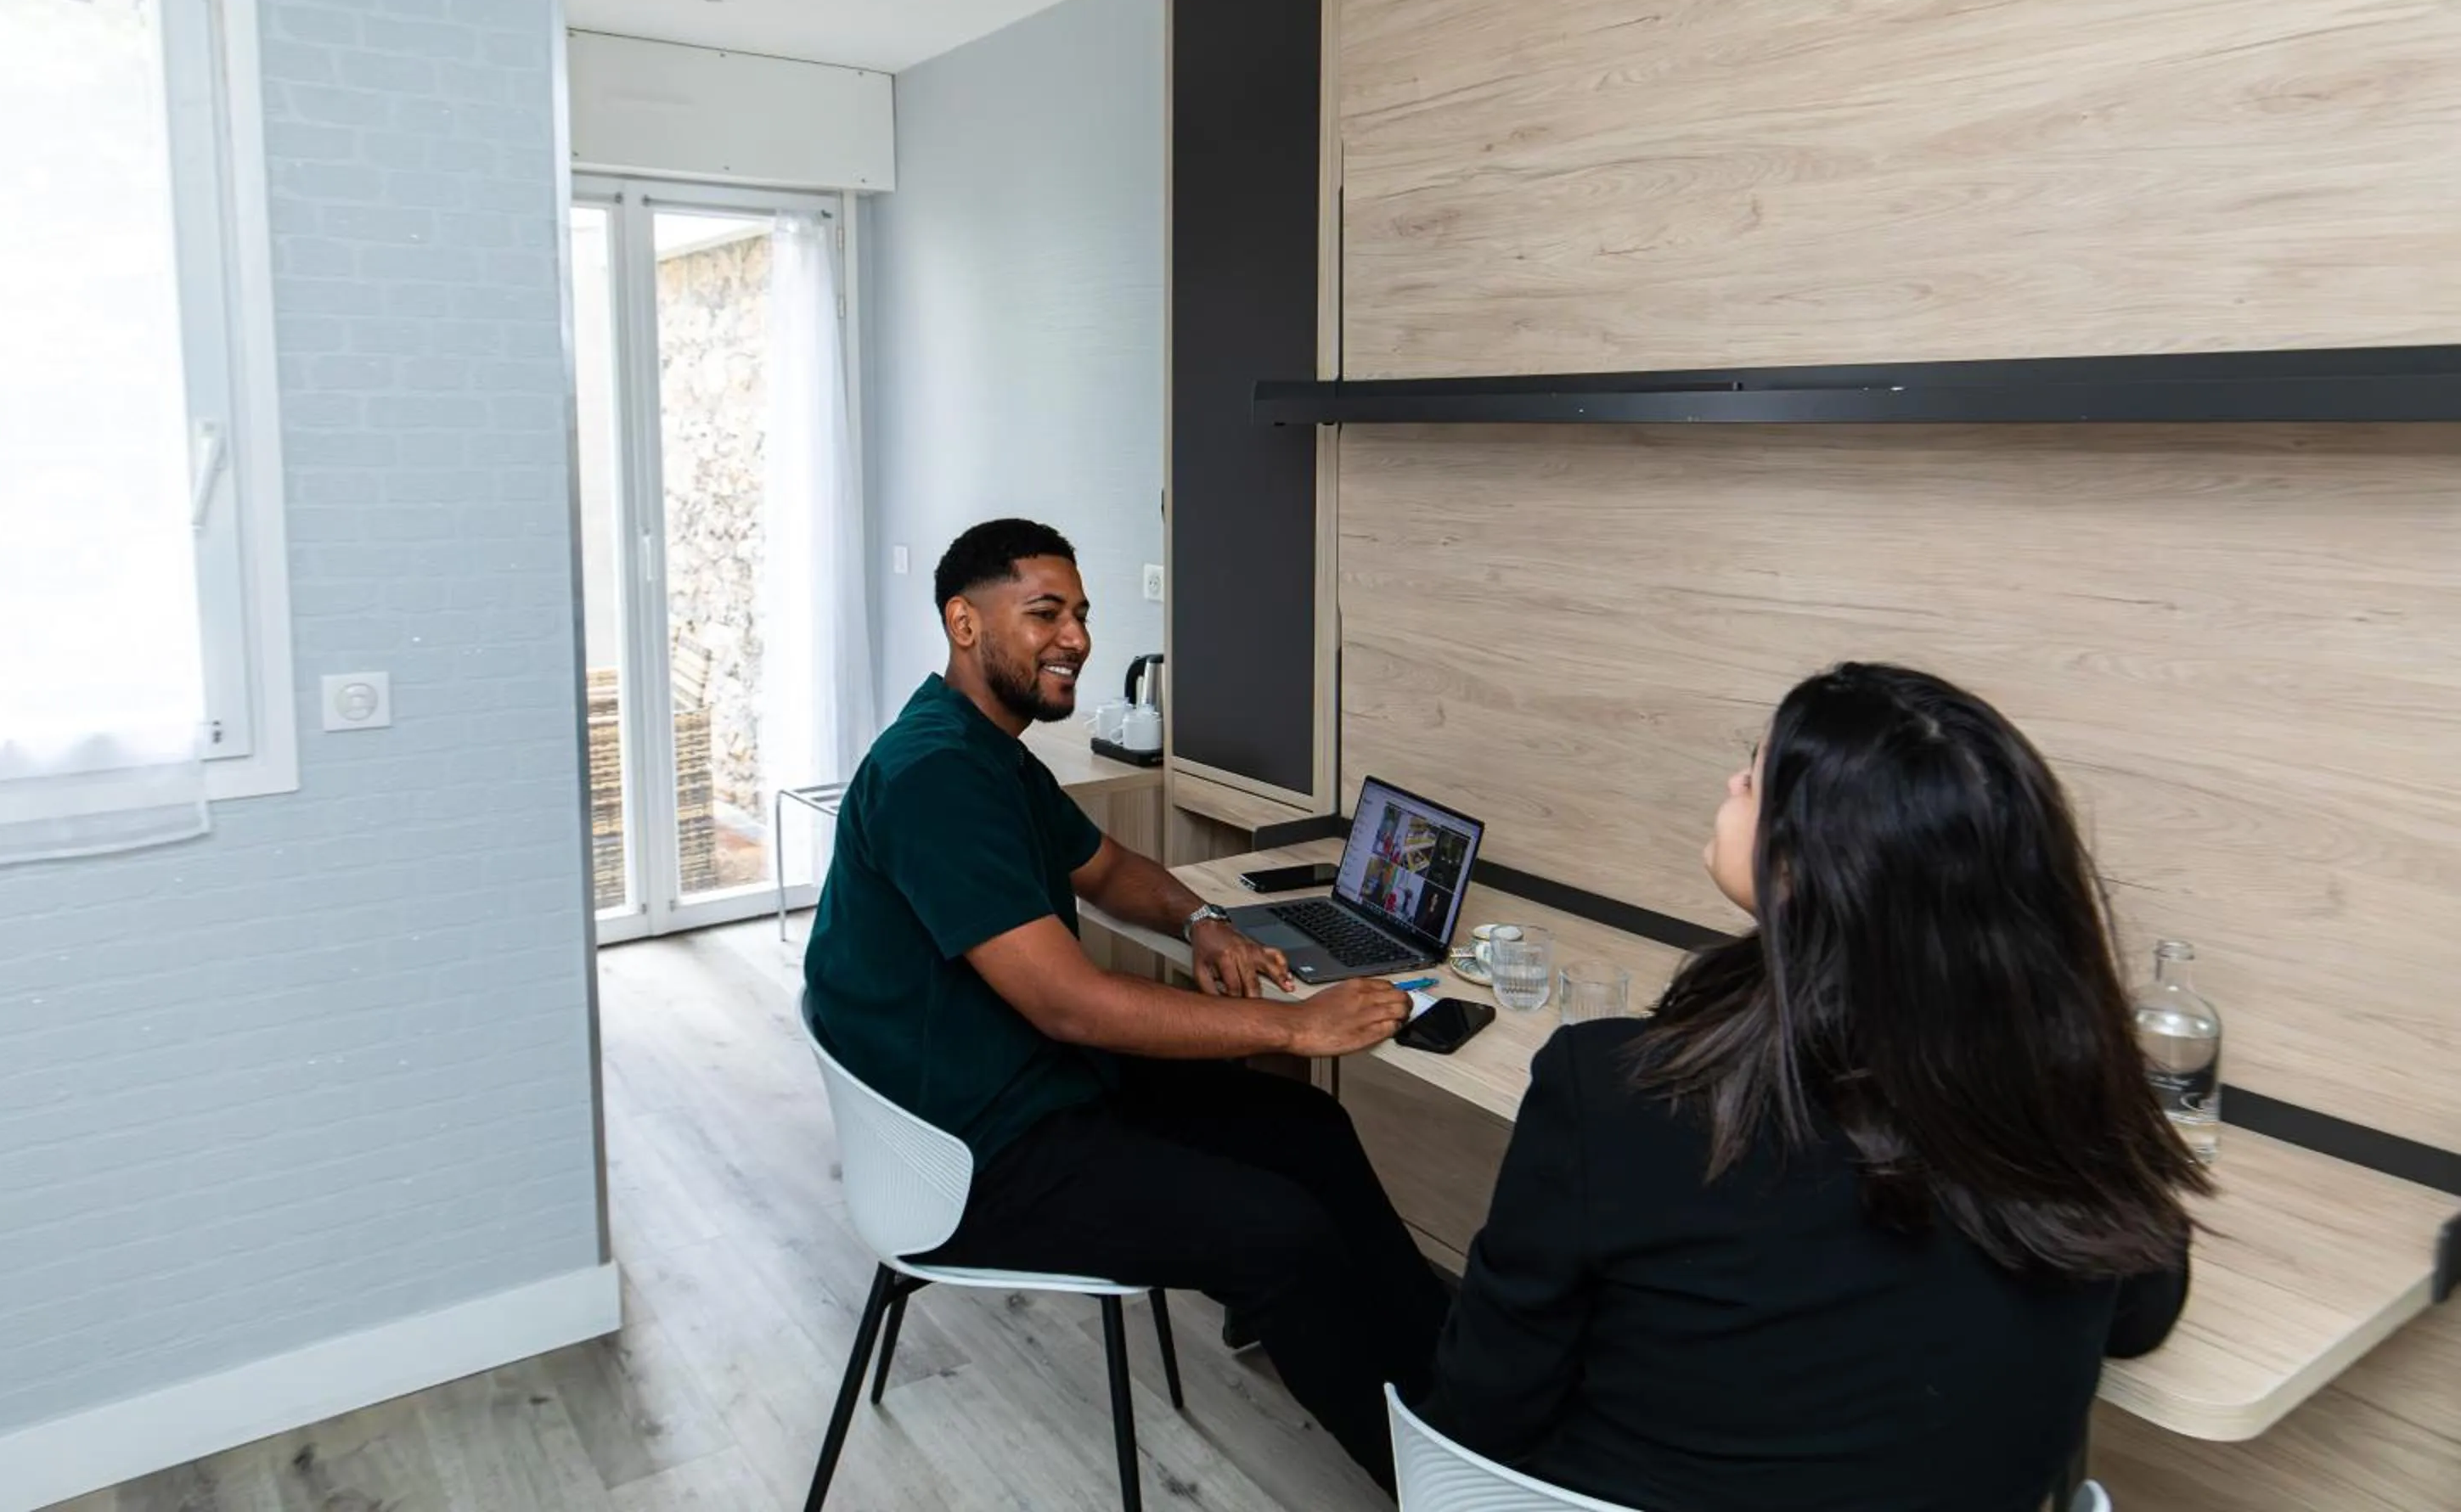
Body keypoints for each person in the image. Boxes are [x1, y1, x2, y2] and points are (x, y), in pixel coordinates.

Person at [1422, 662, 2205, 1512]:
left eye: (1753, 776)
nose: (1730, 782)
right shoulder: (2069, 1107)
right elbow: (2139, 1317)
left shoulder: (1613, 1090)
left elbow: (1485, 1412)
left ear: (1801, 868)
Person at [802, 517, 1450, 1489]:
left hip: (1029, 1087)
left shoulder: (991, 751)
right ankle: (1436, 1486)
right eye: (1045, 613)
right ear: (964, 623)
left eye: (1081, 613)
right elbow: (1070, 1004)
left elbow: (1106, 867)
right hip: (971, 1155)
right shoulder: (934, 774)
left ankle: (1464, 1405)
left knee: (1309, 1128)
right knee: (1281, 1232)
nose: (1076, 637)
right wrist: (1293, 1023)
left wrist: (1200, 921)